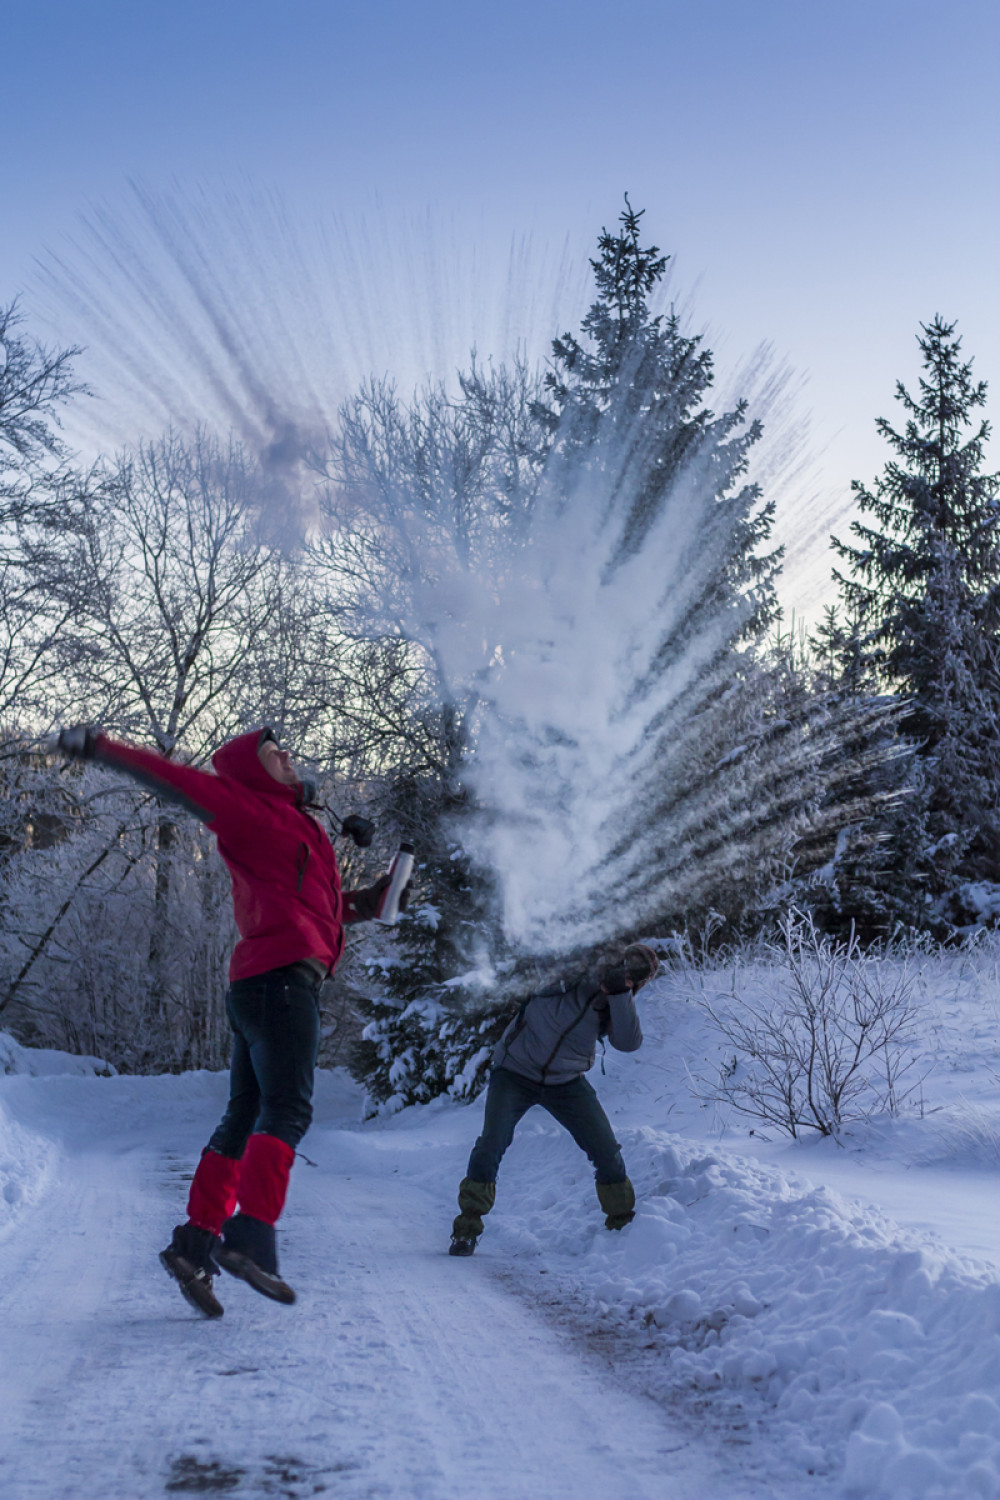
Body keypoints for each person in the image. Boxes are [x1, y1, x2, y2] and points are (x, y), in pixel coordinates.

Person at [55, 723, 404, 1318]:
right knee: (287, 1108)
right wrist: (104, 749)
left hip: (262, 984)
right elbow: (178, 782)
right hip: (280, 983)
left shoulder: (296, 828)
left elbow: (310, 907)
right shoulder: (248, 809)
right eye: (275, 754)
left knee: (245, 1114)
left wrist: (368, 904)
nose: (289, 757)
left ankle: (194, 1245)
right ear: (251, 771)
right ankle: (251, 1237)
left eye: (288, 751)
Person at [449, 942, 659, 1256]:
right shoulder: (573, 973)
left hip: (566, 1082)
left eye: (633, 977)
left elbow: (628, 1043)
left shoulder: (616, 1000)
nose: (624, 976)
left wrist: (620, 994)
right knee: (493, 1142)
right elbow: (537, 982)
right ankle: (466, 1229)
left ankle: (622, 1227)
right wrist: (589, 966)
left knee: (605, 1149)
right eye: (624, 968)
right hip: (514, 1072)